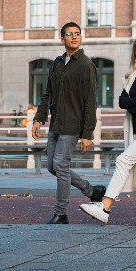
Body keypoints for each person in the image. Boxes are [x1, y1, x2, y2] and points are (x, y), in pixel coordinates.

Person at [80, 34, 136, 224]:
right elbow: (122, 102)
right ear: (135, 50)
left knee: (122, 160)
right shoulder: (132, 75)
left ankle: (105, 206)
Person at [32, 22, 105, 224]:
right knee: (52, 166)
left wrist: (87, 134)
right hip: (56, 123)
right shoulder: (57, 62)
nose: (74, 37)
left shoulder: (86, 65)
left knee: (61, 165)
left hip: (73, 125)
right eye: (69, 34)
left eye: (77, 34)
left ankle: (61, 213)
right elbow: (48, 93)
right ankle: (92, 191)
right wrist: (38, 119)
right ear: (62, 38)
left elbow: (90, 102)